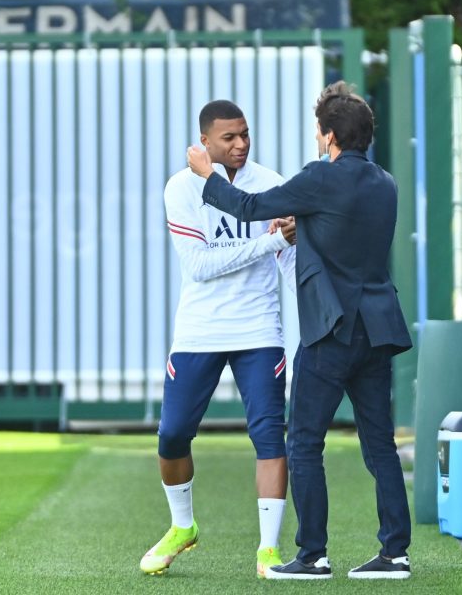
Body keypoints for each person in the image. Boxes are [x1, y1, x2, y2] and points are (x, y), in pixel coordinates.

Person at [186, 81, 413, 580]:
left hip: (330, 331)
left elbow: (248, 207)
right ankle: (395, 553)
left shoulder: (318, 179)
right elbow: (341, 232)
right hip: (377, 329)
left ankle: (312, 556)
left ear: (329, 137)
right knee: (379, 445)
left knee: (305, 443)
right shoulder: (385, 183)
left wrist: (207, 174)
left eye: (318, 130)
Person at [140, 100, 297, 579]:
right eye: (229, 137)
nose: (241, 144)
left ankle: (268, 552)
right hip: (198, 331)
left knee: (270, 437)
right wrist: (272, 241)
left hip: (258, 330)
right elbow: (201, 266)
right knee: (171, 436)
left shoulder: (271, 183)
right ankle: (182, 527)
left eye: (245, 134)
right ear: (204, 143)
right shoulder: (180, 188)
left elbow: (289, 264)